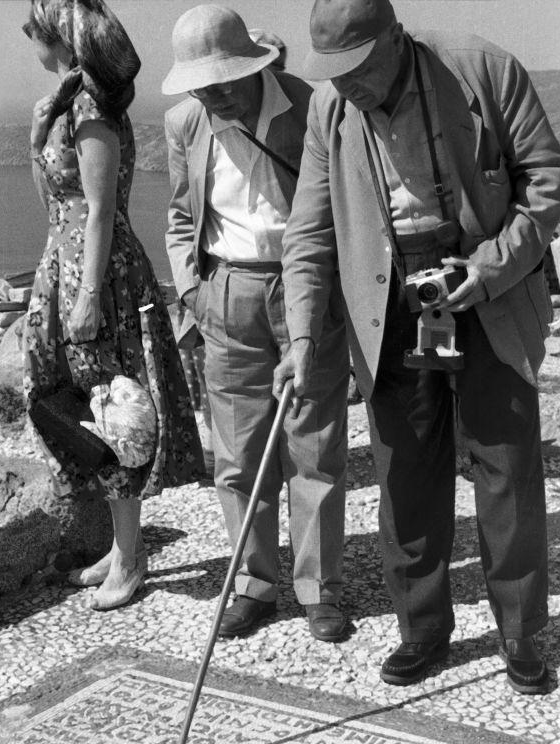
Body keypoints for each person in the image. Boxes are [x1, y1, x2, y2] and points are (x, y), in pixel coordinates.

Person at [275, 0, 560, 691]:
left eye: (353, 71)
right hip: (391, 304)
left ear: (391, 41)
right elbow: (308, 237)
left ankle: (521, 635)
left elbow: (546, 179)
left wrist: (492, 267)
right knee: (407, 472)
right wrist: (298, 338)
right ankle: (423, 630)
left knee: (505, 467)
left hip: (484, 293)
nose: (342, 87)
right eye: (331, 74)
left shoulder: (483, 70)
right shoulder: (329, 109)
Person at [162, 6, 350, 642]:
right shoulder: (187, 121)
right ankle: (254, 584)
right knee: (238, 455)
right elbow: (182, 217)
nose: (214, 97)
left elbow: (338, 212)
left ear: (254, 65)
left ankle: (317, 588)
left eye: (223, 85)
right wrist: (192, 293)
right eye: (202, 88)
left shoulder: (314, 104)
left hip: (308, 290)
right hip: (228, 294)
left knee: (314, 447)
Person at [22, 0, 206, 611]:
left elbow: (100, 209)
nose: (30, 39)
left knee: (114, 411)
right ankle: (120, 548)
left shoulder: (90, 108)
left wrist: (86, 297)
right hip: (70, 265)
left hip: (97, 276)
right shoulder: (70, 101)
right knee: (90, 410)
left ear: (64, 41)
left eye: (37, 30)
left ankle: (129, 560)